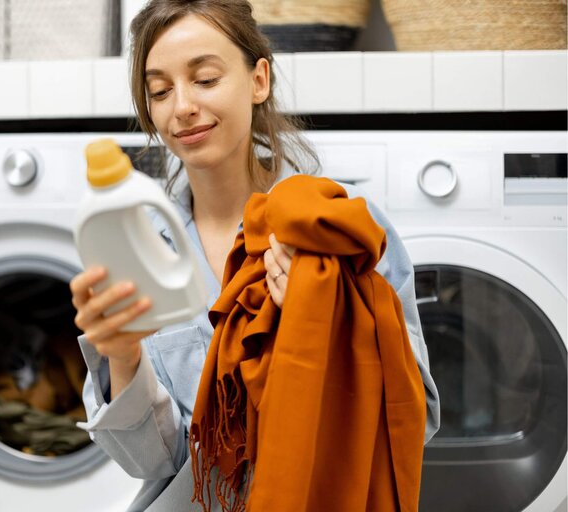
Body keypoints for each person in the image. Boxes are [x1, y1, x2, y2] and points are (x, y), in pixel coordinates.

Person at [70, 1, 440, 510]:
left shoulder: (341, 226)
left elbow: (414, 417)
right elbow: (155, 463)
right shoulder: (140, 245)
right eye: (159, 90)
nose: (182, 107)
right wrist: (123, 357)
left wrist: (326, 323)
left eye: (205, 79)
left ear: (258, 80)